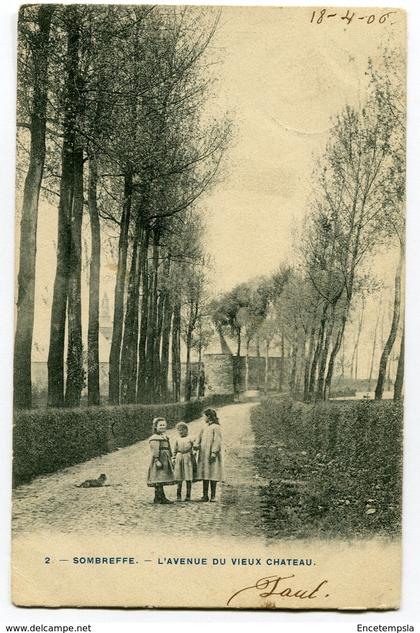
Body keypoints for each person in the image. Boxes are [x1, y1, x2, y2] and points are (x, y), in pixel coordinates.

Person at [194, 408, 223, 502]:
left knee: (212, 474)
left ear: (209, 416)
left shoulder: (216, 427)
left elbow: (217, 441)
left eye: (204, 416)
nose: (203, 418)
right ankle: (205, 495)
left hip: (211, 454)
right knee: (205, 474)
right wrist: (196, 445)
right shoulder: (204, 427)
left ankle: (213, 495)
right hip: (203, 454)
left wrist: (214, 453)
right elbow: (199, 438)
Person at [147, 417, 175, 504]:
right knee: (158, 478)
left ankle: (157, 497)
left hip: (165, 459)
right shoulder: (155, 438)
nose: (162, 427)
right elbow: (155, 450)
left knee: (161, 478)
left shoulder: (165, 437)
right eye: (160, 425)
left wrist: (171, 457)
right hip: (160, 460)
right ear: (155, 427)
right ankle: (161, 497)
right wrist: (157, 460)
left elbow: (169, 448)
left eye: (164, 425)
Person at [173, 422, 196, 501]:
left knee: (188, 476)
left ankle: (188, 495)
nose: (181, 432)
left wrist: (194, 451)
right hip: (179, 457)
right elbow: (175, 450)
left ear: (186, 430)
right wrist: (174, 458)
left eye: (182, 430)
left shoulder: (190, 438)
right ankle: (178, 496)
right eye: (179, 430)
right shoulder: (177, 439)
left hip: (187, 457)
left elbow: (195, 446)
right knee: (179, 477)